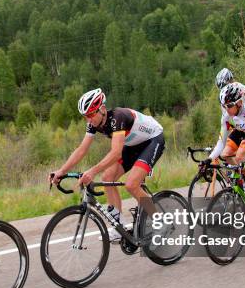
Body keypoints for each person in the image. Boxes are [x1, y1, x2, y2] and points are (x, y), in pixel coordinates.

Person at [49, 88, 164, 241]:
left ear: (102, 109)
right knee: (108, 177)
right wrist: (61, 171)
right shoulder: (93, 124)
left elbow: (116, 152)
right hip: (133, 145)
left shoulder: (118, 117)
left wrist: (92, 171)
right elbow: (82, 149)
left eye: (91, 115)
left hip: (152, 140)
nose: (89, 120)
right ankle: (119, 227)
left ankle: (160, 222)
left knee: (131, 185)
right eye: (85, 117)